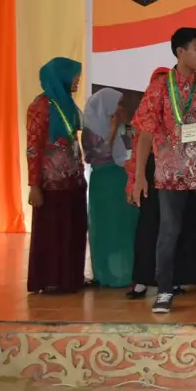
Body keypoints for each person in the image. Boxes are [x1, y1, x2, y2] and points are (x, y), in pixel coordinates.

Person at [130, 27, 196, 314]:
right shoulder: (159, 88)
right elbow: (146, 134)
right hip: (171, 168)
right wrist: (140, 175)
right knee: (169, 230)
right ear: (180, 52)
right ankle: (164, 290)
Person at [126, 67, 196, 299]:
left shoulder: (186, 108)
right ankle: (142, 280)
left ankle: (174, 279)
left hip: (184, 168)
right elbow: (139, 149)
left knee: (179, 224)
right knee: (150, 224)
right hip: (156, 169)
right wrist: (137, 178)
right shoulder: (150, 110)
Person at [26, 57, 87, 294]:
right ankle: (50, 279)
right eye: (74, 76)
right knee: (52, 232)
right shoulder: (40, 106)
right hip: (50, 183)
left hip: (73, 179)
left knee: (72, 229)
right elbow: (33, 147)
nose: (77, 81)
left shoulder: (67, 104)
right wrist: (34, 185)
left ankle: (70, 278)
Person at [83, 87, 138, 288]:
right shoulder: (92, 130)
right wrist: (113, 129)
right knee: (107, 227)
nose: (120, 109)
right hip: (104, 182)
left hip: (121, 179)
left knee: (123, 227)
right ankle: (106, 274)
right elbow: (98, 155)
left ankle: (126, 272)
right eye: (117, 104)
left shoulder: (125, 126)